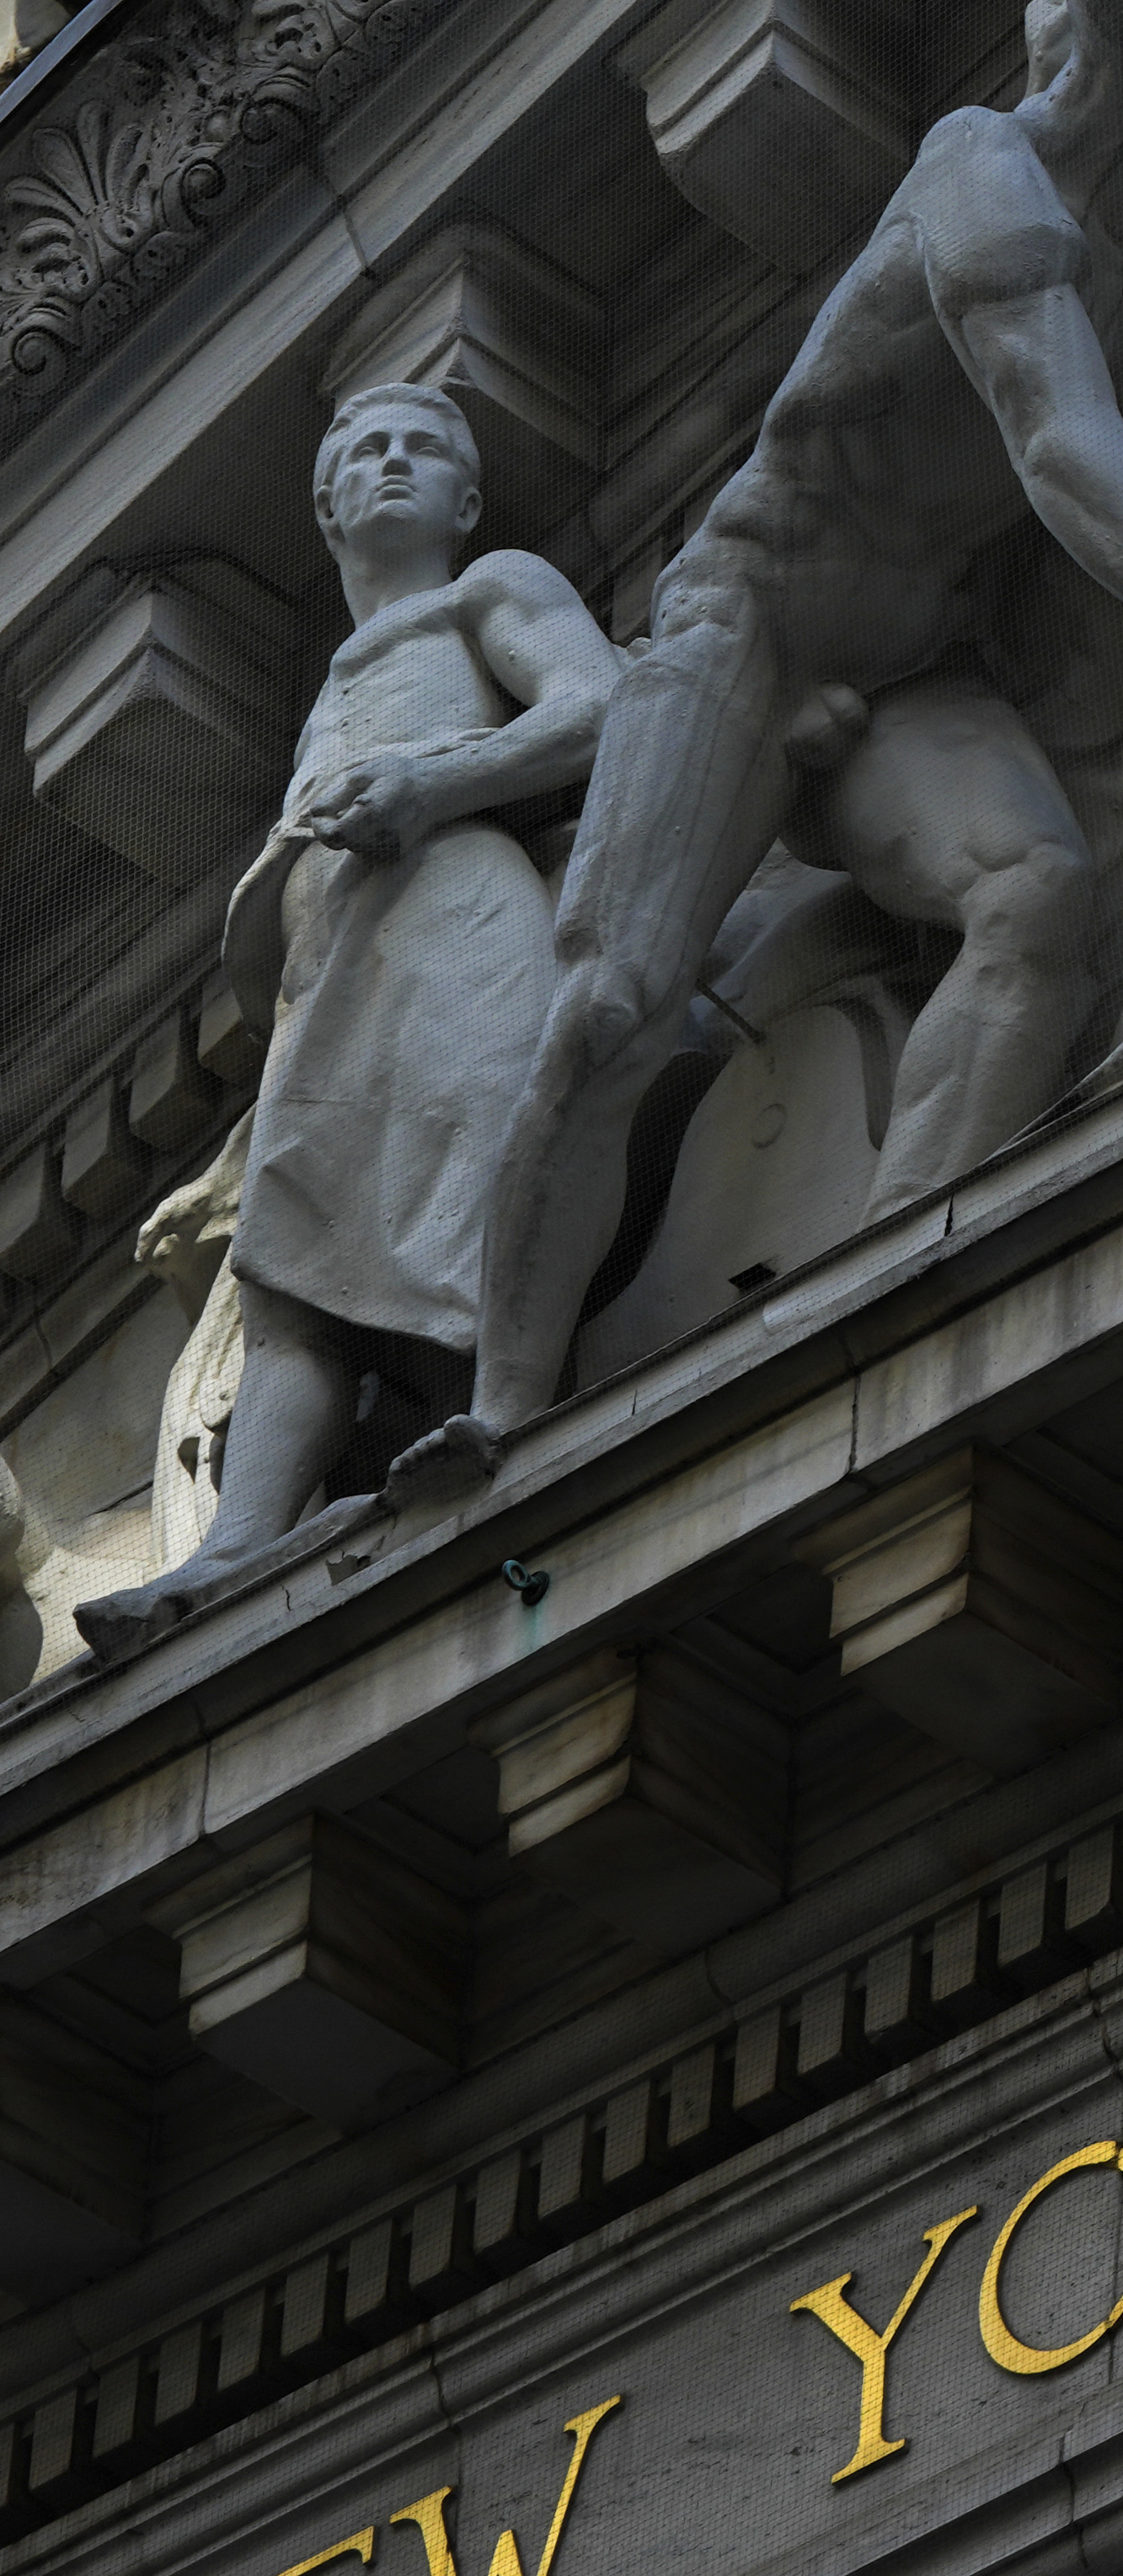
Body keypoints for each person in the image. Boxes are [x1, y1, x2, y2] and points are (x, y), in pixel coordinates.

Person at [379, 0, 1123, 1515]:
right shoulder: (985, 172)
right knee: (612, 1005)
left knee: (1037, 892)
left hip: (905, 675)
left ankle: (890, 1282)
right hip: (746, 635)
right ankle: (502, 1409)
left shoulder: (1121, 264)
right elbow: (1059, 451)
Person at [73, 386, 620, 1659]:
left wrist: (433, 784)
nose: (390, 463)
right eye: (363, 450)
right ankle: (235, 1545)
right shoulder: (335, 678)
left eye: (422, 450)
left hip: (457, 923)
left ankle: (506, 1408)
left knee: (480, 1163)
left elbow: (599, 705)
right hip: (331, 983)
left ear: (465, 501)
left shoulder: (491, 588)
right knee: (286, 1279)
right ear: (325, 507)